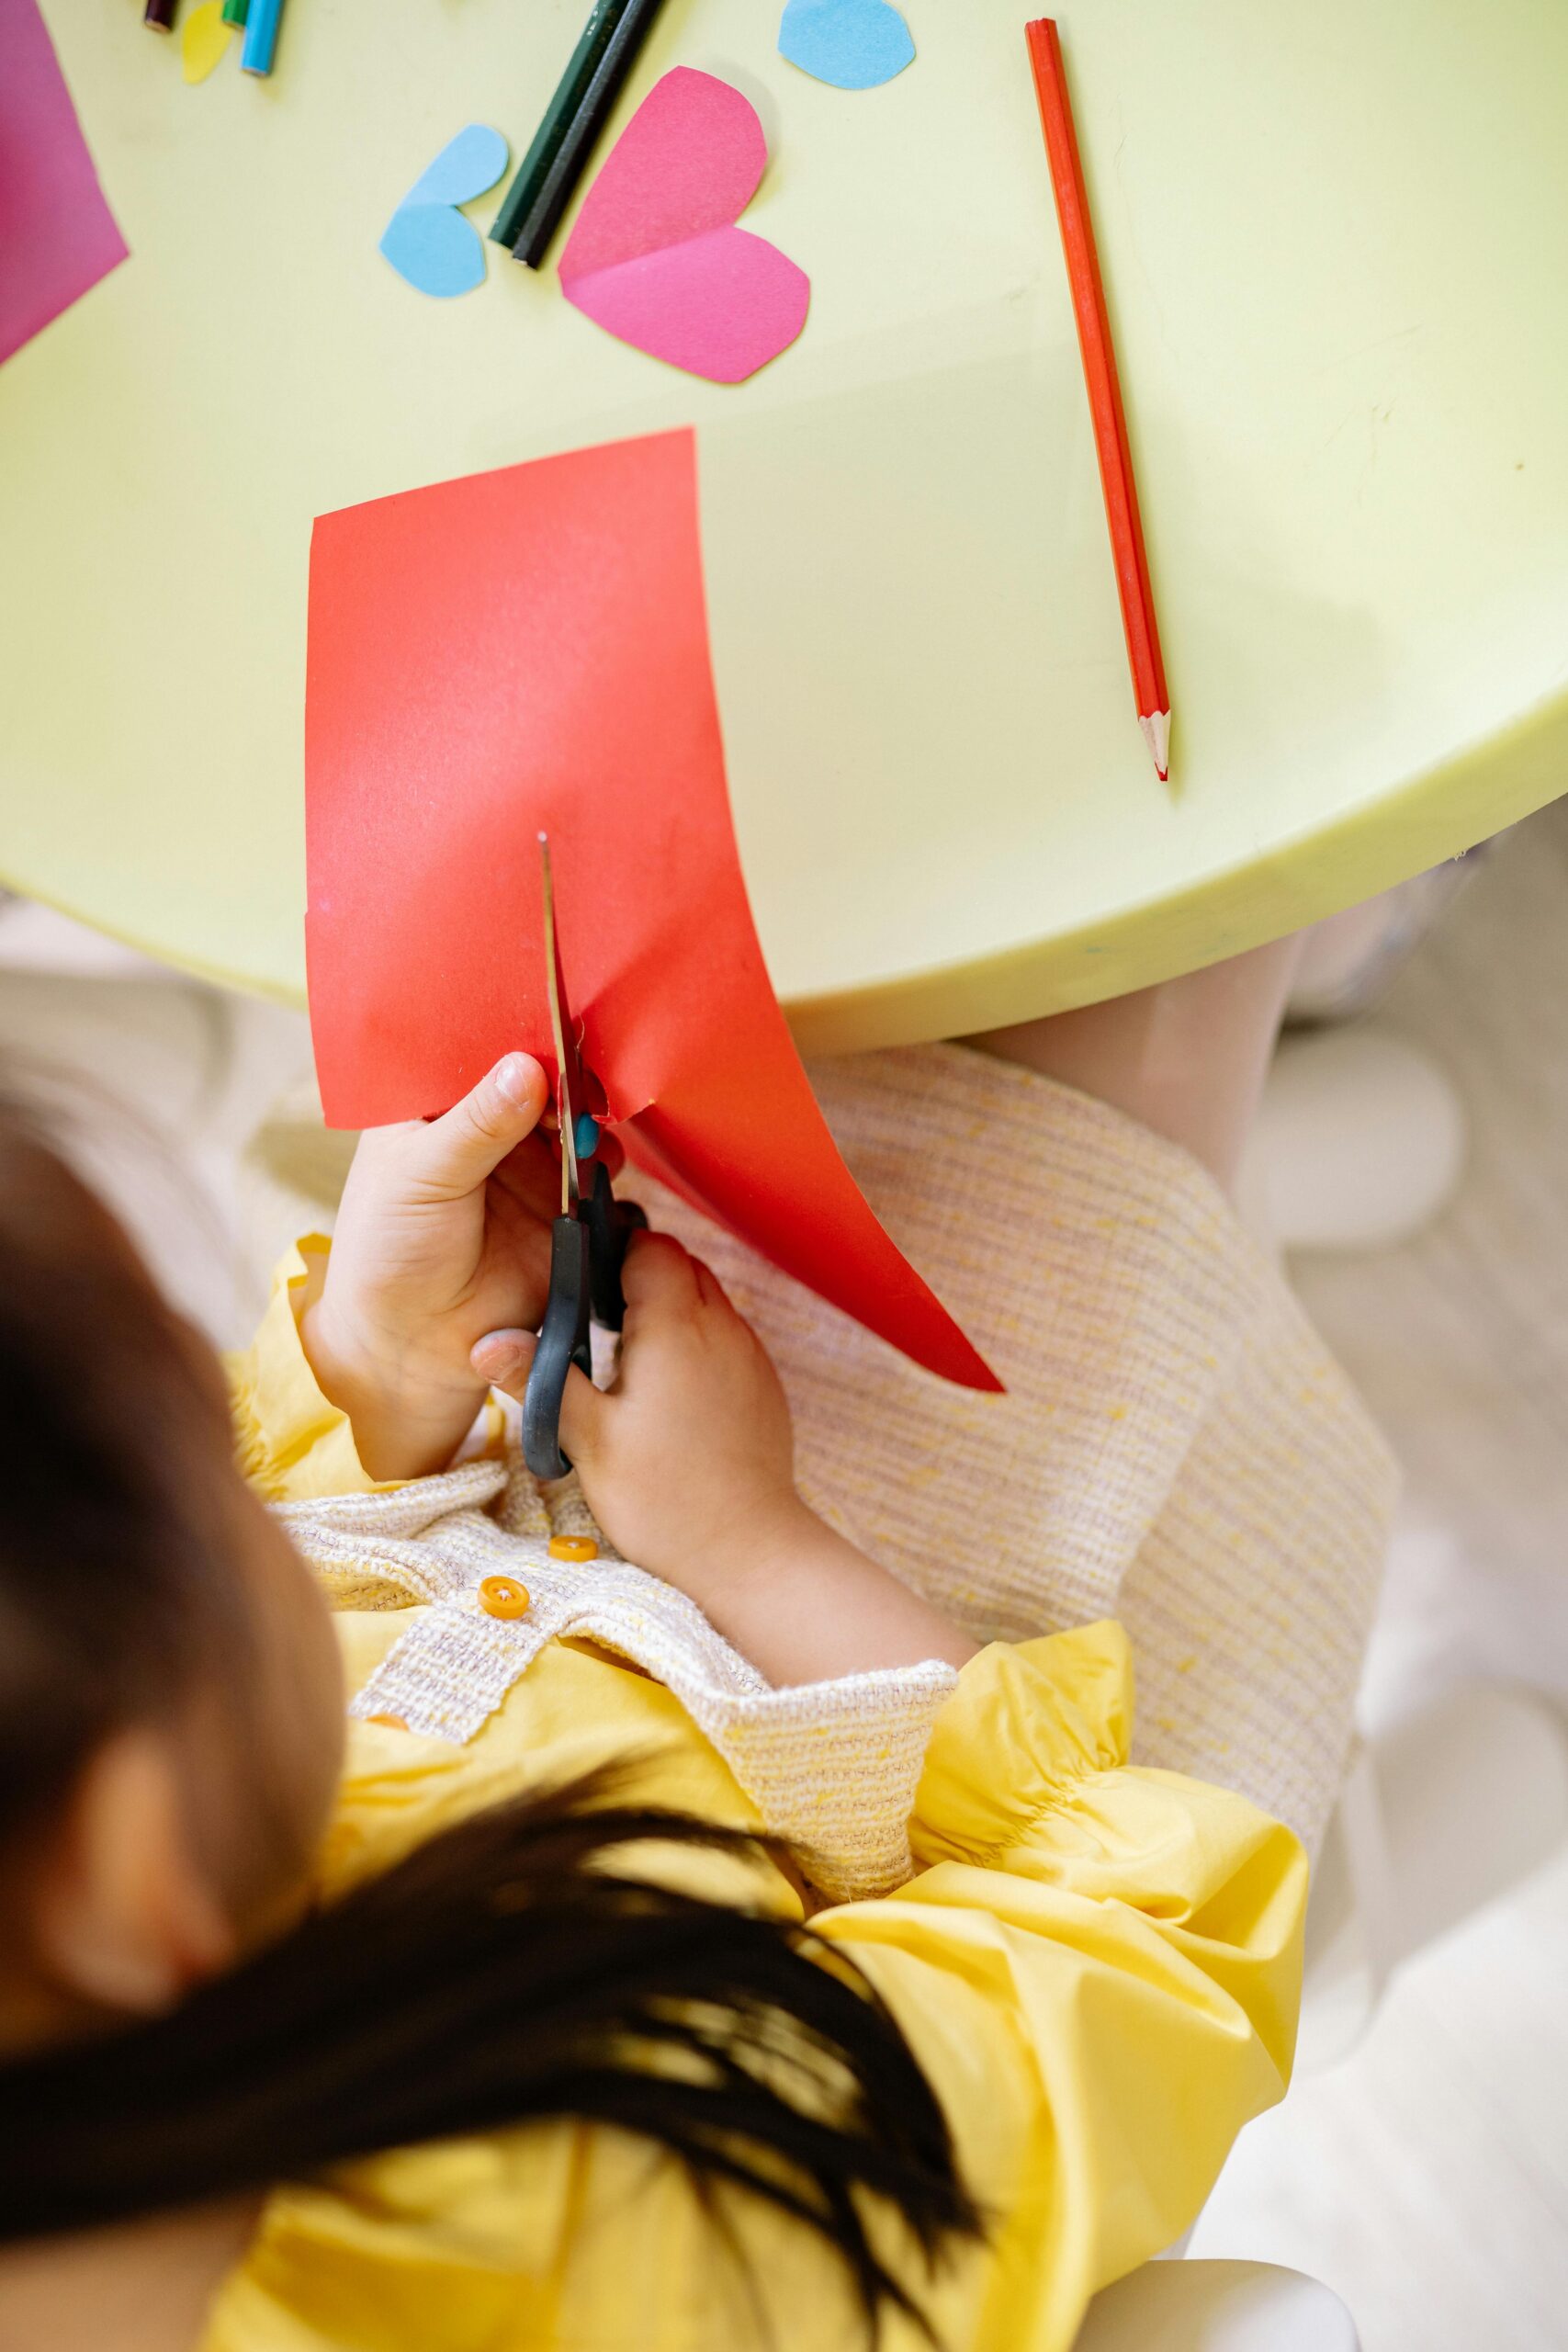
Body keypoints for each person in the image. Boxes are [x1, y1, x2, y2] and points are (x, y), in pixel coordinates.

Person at [0, 943, 1394, 2352]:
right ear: (129, 1855)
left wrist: (369, 1374)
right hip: (951, 1753)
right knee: (1090, 1007)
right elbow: (1144, 1944)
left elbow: (195, 1597)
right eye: (222, 1473)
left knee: (686, 965)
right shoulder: (637, 2236)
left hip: (610, 1443)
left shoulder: (79, 1913)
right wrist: (754, 1544)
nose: (251, 1461)